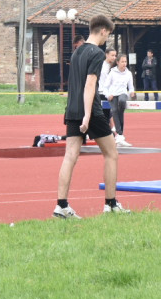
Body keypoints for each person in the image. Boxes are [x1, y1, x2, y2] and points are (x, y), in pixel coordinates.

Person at [55, 14, 128, 218]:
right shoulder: (97, 53)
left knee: (70, 156)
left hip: (72, 110)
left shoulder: (77, 53)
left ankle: (61, 206)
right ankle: (111, 204)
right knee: (111, 153)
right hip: (90, 111)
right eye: (108, 34)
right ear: (103, 30)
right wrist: (88, 116)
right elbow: (89, 84)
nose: (107, 39)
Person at [105, 53, 136, 147]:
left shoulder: (128, 73)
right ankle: (120, 134)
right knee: (114, 111)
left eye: (125, 61)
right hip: (113, 94)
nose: (124, 63)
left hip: (122, 93)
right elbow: (105, 86)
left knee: (122, 102)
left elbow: (131, 86)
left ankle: (119, 133)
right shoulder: (112, 72)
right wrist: (108, 95)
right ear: (117, 62)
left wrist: (132, 92)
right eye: (122, 61)